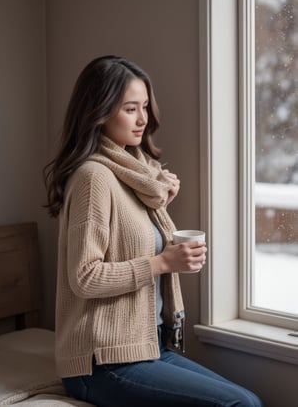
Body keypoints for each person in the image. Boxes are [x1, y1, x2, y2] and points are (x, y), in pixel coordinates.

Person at [44, 55, 263, 407]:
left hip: (148, 345)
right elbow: (84, 277)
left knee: (249, 399)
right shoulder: (93, 178)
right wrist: (162, 263)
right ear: (98, 111)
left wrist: (159, 205)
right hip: (100, 362)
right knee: (240, 405)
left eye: (145, 106)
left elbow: (127, 240)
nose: (143, 119)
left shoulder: (138, 173)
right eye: (131, 108)